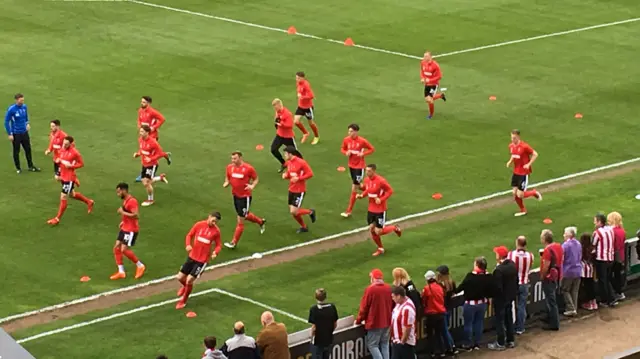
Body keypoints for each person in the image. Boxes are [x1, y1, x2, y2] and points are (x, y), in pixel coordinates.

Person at [176, 212, 222, 309]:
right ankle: (185, 288)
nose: (214, 223)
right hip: (192, 256)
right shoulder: (199, 225)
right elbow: (189, 235)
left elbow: (218, 245)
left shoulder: (216, 231)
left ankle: (183, 301)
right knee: (180, 277)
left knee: (189, 280)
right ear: (209, 217)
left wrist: (215, 253)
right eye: (213, 220)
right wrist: (188, 245)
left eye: (216, 222)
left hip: (202, 260)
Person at [46, 136, 94, 225]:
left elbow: (81, 164)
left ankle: (57, 218)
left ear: (71, 144)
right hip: (63, 176)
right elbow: (61, 161)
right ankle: (89, 201)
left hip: (69, 178)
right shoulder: (62, 149)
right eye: (63, 143)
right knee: (72, 194)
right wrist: (58, 162)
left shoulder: (75, 153)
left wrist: (72, 168)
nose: (64, 145)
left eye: (66, 144)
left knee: (63, 197)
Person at [222, 151, 266, 249]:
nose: (233, 160)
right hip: (235, 195)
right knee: (244, 214)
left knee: (240, 220)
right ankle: (260, 222)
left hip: (244, 197)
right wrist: (226, 183)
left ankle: (233, 242)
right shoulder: (229, 167)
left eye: (235, 158)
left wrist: (252, 186)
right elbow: (228, 177)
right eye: (232, 158)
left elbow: (256, 178)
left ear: (240, 158)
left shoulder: (248, 168)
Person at [356, 164, 402, 256]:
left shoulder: (381, 181)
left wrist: (381, 199)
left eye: (369, 171)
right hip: (371, 209)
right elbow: (368, 190)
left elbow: (390, 191)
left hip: (380, 209)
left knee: (379, 231)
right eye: (366, 171)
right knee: (372, 229)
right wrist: (362, 195)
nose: (367, 173)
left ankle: (394, 228)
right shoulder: (367, 180)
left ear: (374, 171)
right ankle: (380, 248)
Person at [109, 182, 146, 280]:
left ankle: (140, 266)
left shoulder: (132, 201)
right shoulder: (125, 200)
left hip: (131, 230)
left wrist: (122, 212)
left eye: (119, 192)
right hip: (125, 227)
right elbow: (128, 213)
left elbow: (136, 215)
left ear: (124, 190)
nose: (118, 194)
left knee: (124, 250)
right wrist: (123, 221)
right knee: (116, 248)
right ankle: (121, 272)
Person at [455, 257, 493, 351]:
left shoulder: (470, 276)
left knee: (468, 324)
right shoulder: (488, 276)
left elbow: (460, 288)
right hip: (482, 304)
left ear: (477, 265)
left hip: (470, 305)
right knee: (479, 323)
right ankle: (477, 343)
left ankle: (468, 344)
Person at [355, 269, 393, 359]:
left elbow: (364, 307)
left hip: (375, 323)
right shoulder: (388, 288)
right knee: (385, 344)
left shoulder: (370, 289)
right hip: (387, 321)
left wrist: (359, 320)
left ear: (373, 278)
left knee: (372, 345)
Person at [340, 123, 375, 218]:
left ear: (356, 131)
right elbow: (342, 149)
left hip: (359, 167)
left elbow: (372, 149)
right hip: (351, 166)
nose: (349, 133)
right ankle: (373, 190)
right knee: (358, 185)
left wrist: (363, 154)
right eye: (349, 131)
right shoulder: (346, 140)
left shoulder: (362, 141)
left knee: (354, 187)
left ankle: (349, 211)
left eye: (351, 131)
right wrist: (346, 152)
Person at [488, 246, 518, 351]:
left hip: (501, 299)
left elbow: (498, 287)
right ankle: (510, 340)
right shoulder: (512, 265)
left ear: (499, 256)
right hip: (510, 297)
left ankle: (500, 343)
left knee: (499, 321)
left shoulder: (499, 270)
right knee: (508, 319)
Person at [135, 96, 171, 182]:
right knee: (144, 152)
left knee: (150, 154)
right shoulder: (140, 110)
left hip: (152, 136)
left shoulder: (152, 112)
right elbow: (139, 119)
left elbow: (162, 119)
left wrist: (153, 128)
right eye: (141, 102)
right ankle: (165, 155)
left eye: (144, 102)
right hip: (144, 134)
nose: (142, 103)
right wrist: (140, 126)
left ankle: (148, 173)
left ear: (148, 103)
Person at [506, 129, 542, 216]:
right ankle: (523, 210)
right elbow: (513, 155)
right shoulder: (511, 146)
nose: (512, 140)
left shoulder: (524, 146)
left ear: (518, 137)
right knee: (514, 193)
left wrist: (529, 164)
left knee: (520, 194)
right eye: (511, 138)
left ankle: (533, 192)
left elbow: (535, 154)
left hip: (523, 173)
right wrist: (510, 161)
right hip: (516, 172)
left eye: (514, 138)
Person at [282, 146, 316, 233]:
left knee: (294, 211)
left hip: (299, 190)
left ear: (290, 154)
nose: (284, 155)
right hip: (291, 189)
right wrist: (286, 175)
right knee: (293, 212)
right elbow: (290, 174)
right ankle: (304, 227)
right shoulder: (289, 162)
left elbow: (310, 174)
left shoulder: (301, 162)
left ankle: (310, 212)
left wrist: (299, 178)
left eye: (285, 154)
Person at [134, 125, 168, 206]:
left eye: (142, 131)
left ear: (147, 132)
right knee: (143, 181)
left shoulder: (153, 142)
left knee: (146, 183)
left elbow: (161, 153)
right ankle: (160, 178)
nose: (140, 133)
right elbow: (142, 150)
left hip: (152, 165)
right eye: (140, 131)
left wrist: (151, 159)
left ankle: (150, 200)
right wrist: (138, 154)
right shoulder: (140, 140)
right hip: (144, 164)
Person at [5, 93, 40, 173]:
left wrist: (27, 123)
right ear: (16, 100)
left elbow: (26, 117)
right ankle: (18, 168)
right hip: (16, 133)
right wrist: (10, 133)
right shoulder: (11, 109)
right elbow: (6, 121)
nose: (22, 102)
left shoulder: (24, 107)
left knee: (28, 149)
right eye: (21, 100)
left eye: (23, 100)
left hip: (24, 132)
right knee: (16, 151)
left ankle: (30, 166)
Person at [507, 236, 534, 335]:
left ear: (517, 243)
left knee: (511, 306)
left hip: (514, 284)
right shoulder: (530, 255)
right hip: (525, 283)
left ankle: (511, 327)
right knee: (522, 306)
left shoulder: (511, 255)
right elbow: (530, 267)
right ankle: (520, 328)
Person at [540, 229, 563, 331]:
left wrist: (542, 276)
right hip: (557, 275)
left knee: (551, 301)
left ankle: (554, 324)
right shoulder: (558, 246)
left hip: (549, 278)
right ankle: (550, 318)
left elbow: (546, 266)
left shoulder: (547, 250)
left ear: (544, 239)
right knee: (552, 299)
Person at [592, 213, 616, 307]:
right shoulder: (610, 229)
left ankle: (606, 300)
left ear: (599, 222)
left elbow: (593, 245)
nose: (594, 223)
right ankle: (612, 298)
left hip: (601, 259)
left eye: (595, 221)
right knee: (607, 279)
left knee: (602, 280)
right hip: (610, 257)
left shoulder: (597, 232)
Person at [308, 288, 338, 359]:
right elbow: (335, 324)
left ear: (316, 297)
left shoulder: (314, 309)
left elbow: (314, 327)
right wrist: (328, 332)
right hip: (328, 339)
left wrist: (311, 338)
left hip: (318, 341)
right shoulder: (332, 307)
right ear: (325, 297)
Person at [421, 271, 446, 357]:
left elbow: (423, 300)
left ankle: (432, 352)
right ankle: (442, 351)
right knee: (439, 333)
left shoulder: (427, 288)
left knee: (430, 334)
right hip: (441, 313)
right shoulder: (440, 287)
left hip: (432, 314)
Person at [436, 265, 458, 355]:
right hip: (449, 308)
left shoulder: (439, 285)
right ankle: (449, 346)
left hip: (442, 310)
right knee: (445, 329)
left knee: (444, 330)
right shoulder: (451, 282)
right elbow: (454, 293)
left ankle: (452, 346)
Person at [561, 227, 582, 316]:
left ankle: (571, 308)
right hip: (578, 270)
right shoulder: (578, 243)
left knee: (565, 290)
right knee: (574, 291)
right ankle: (574, 308)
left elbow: (562, 259)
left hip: (568, 271)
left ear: (569, 235)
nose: (563, 235)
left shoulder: (565, 245)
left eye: (565, 233)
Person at [390, 286, 417, 359]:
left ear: (398, 296)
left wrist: (402, 343)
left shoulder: (407, 309)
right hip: (397, 342)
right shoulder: (400, 303)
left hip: (404, 344)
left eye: (393, 297)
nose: (392, 299)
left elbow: (407, 328)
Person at [270, 98, 297, 172]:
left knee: (295, 154)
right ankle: (284, 163)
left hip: (288, 137)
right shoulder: (277, 112)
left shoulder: (287, 113)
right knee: (273, 149)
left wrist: (281, 124)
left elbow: (290, 125)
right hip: (279, 135)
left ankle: (300, 167)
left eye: (275, 106)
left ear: (279, 105)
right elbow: (276, 119)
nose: (274, 109)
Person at [294, 72, 319, 144]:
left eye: (298, 78)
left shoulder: (306, 85)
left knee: (311, 123)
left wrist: (302, 97)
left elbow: (311, 96)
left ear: (303, 78)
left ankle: (316, 136)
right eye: (296, 78)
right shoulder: (298, 84)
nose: (297, 79)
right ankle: (305, 133)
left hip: (308, 108)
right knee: (296, 121)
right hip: (300, 107)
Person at [420, 51, 446, 119]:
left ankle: (431, 114)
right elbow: (422, 71)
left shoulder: (435, 65)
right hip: (427, 84)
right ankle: (440, 95)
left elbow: (439, 76)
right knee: (427, 99)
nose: (424, 58)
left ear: (430, 57)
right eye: (424, 56)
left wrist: (430, 80)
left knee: (429, 100)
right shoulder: (423, 62)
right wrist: (422, 78)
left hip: (433, 84)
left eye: (426, 56)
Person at [608, 211, 626, 301]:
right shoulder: (622, 230)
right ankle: (619, 292)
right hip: (620, 256)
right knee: (618, 274)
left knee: (609, 275)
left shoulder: (613, 231)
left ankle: (616, 292)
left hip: (614, 255)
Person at [579, 233, 598, 311]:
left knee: (587, 287)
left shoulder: (582, 248)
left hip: (584, 270)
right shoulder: (592, 248)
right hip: (591, 269)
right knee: (591, 285)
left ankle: (590, 303)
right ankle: (594, 303)